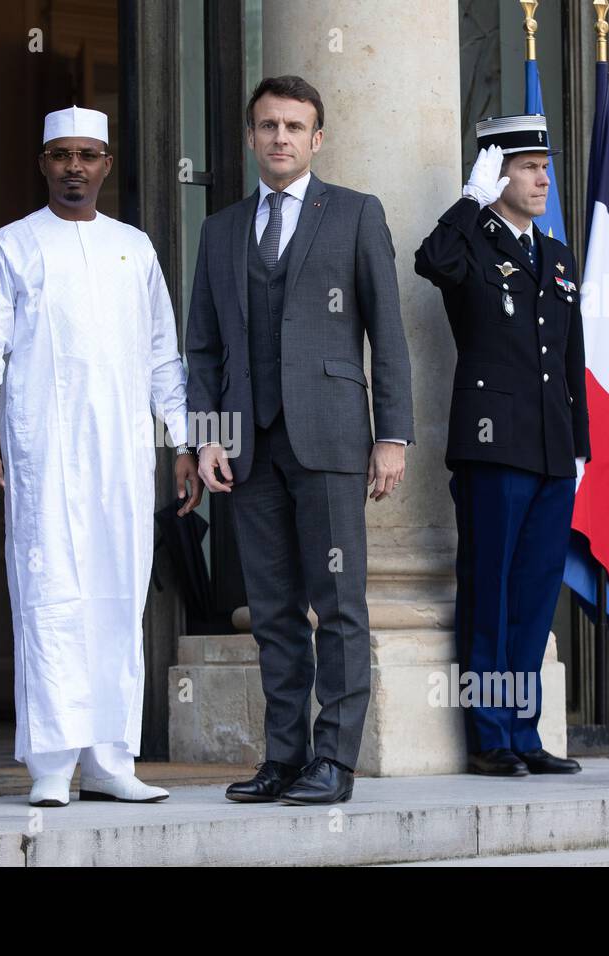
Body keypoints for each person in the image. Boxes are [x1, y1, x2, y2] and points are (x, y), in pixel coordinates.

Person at [0, 106, 200, 808]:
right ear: (43, 163)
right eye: (61, 154)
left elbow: (163, 356)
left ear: (105, 164)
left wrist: (182, 442)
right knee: (49, 594)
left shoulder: (135, 249)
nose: (74, 167)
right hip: (42, 452)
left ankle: (112, 758)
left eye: (88, 154)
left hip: (123, 454)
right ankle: (52, 762)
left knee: (119, 595)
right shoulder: (11, 246)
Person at [186, 76, 415, 806]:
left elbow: (389, 333)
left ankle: (335, 761)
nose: (279, 137)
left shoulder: (353, 213)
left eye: (294, 126)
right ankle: (283, 756)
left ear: (317, 139)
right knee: (275, 610)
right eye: (267, 126)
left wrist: (393, 437)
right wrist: (208, 438)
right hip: (249, 448)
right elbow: (205, 349)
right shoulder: (219, 230)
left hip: (333, 438)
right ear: (250, 137)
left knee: (339, 603)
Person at [414, 114, 589, 776]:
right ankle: (488, 737)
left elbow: (571, 360)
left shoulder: (557, 255)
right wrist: (468, 199)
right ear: (496, 172)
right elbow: (431, 261)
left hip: (550, 451)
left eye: (545, 166)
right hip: (493, 450)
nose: (543, 178)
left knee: (535, 595)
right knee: (489, 593)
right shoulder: (472, 244)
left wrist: (581, 447)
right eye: (526, 167)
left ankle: (522, 731)